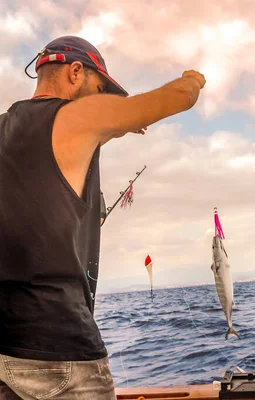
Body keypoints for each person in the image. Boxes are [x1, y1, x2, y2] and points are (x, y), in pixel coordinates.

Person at [0, 35, 206, 399]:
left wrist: (118, 125)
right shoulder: (69, 117)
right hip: (60, 348)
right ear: (75, 72)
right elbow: (179, 97)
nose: (103, 102)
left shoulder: (6, 129)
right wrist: (194, 78)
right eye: (100, 89)